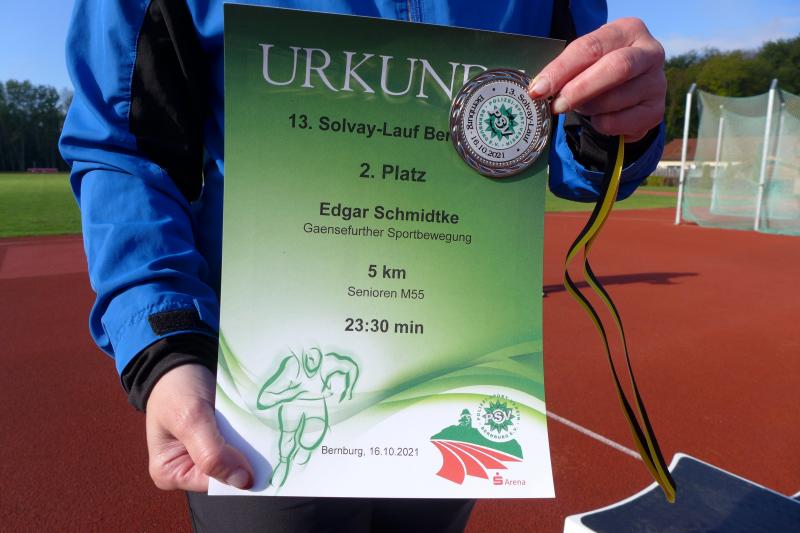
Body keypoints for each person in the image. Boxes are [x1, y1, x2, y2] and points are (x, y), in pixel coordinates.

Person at [59, 1, 667, 531]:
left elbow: (561, 142)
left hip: (450, 373)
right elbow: (124, 145)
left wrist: (618, 120)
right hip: (250, 389)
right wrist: (164, 348)